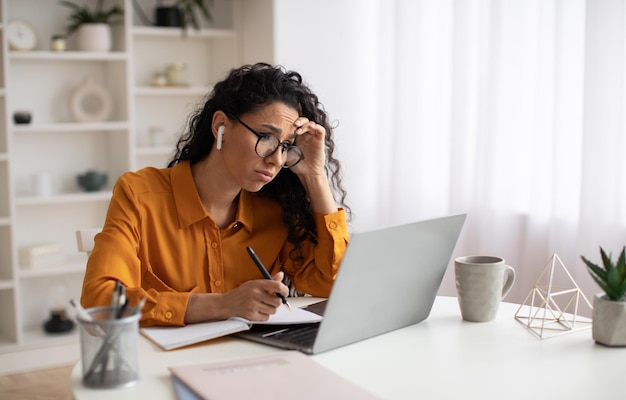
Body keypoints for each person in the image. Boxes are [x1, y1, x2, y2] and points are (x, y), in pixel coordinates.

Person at [81, 63, 350, 327]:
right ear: (221, 125)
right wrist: (224, 304)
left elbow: (332, 283)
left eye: (287, 146)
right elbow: (100, 302)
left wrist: (315, 176)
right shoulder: (139, 195)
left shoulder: (273, 210)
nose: (277, 159)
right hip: (163, 365)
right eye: (266, 136)